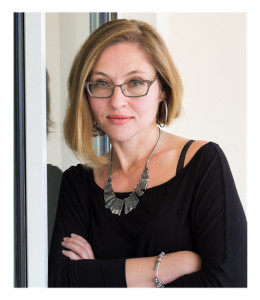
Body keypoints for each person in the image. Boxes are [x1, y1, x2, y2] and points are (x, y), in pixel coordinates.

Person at [48, 19, 247, 287]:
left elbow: (227, 283)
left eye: (135, 82)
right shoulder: (77, 183)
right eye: (101, 83)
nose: (117, 101)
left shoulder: (203, 163)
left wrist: (97, 273)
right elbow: (61, 281)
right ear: (85, 93)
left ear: (162, 89)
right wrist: (172, 265)